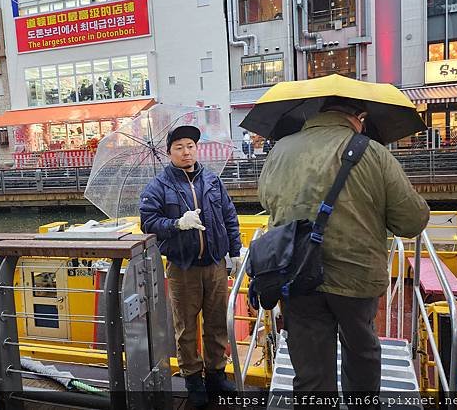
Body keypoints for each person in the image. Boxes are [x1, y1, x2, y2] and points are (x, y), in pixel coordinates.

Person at [258, 99, 430, 408]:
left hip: (296, 272)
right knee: (361, 351)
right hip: (357, 276)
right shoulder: (374, 153)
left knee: (310, 367)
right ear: (358, 117)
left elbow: (268, 202)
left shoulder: (280, 149)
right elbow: (411, 221)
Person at [139, 125, 242, 407]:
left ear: (197, 148)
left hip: (215, 263)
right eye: (179, 147)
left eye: (190, 146)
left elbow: (229, 216)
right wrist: (177, 223)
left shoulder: (211, 180)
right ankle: (193, 379)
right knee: (185, 326)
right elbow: (148, 223)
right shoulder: (158, 187)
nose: (186, 152)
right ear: (169, 152)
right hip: (182, 266)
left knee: (217, 321)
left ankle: (216, 375)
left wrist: (235, 250)